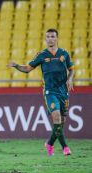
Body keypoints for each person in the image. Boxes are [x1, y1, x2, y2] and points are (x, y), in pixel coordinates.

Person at [8, 28, 74, 156]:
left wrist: (70, 79)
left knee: (61, 123)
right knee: (56, 117)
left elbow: (71, 69)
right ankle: (65, 147)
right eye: (48, 37)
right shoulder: (41, 55)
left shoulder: (64, 53)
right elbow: (27, 69)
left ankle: (49, 143)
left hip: (63, 92)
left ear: (57, 38)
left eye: (52, 36)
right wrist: (16, 65)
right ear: (46, 39)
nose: (50, 39)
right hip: (50, 92)